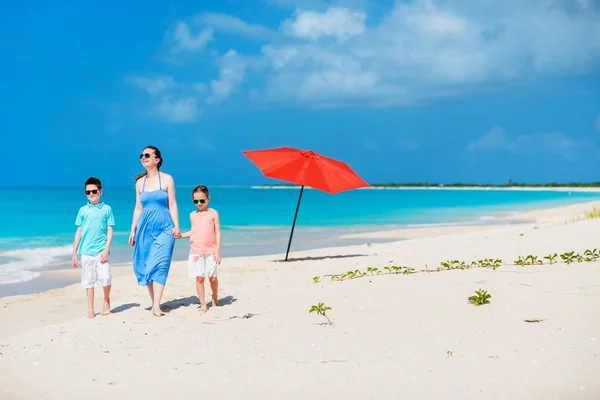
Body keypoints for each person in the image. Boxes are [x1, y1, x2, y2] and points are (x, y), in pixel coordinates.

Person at [129, 145, 181, 317]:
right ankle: (154, 303)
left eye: (147, 155)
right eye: (141, 155)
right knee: (146, 265)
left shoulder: (167, 179)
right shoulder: (139, 183)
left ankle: (157, 305)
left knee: (161, 263)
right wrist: (132, 230)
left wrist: (176, 225)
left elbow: (172, 204)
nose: (143, 157)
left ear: (157, 159)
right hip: (144, 227)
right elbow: (138, 208)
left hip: (165, 225)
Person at [71, 176, 115, 318]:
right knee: (88, 281)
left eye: (93, 191)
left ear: (100, 191)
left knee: (106, 277)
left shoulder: (107, 209)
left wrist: (107, 249)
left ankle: (106, 300)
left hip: (102, 250)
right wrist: (74, 252)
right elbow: (79, 231)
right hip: (86, 252)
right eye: (88, 192)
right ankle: (90, 309)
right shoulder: (83, 210)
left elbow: (110, 230)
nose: (90, 194)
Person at [179, 185, 222, 312]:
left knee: (212, 278)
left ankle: (215, 296)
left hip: (211, 251)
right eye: (195, 201)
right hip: (196, 251)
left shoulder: (213, 213)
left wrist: (218, 251)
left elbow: (218, 233)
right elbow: (193, 232)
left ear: (208, 198)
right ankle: (203, 304)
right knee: (200, 278)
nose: (199, 203)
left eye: (202, 200)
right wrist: (180, 235)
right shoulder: (192, 215)